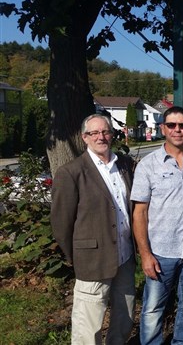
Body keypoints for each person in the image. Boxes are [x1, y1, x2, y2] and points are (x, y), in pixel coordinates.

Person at [131, 106, 183, 344]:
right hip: (161, 252)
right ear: (163, 128)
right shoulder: (148, 165)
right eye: (172, 125)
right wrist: (145, 254)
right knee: (153, 308)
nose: (177, 130)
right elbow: (140, 213)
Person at [51, 114, 136, 344]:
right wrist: (78, 256)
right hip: (92, 259)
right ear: (84, 137)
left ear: (112, 134)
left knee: (125, 318)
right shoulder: (71, 172)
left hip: (125, 257)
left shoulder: (124, 166)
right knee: (88, 327)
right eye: (94, 133)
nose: (101, 137)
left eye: (106, 132)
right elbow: (61, 223)